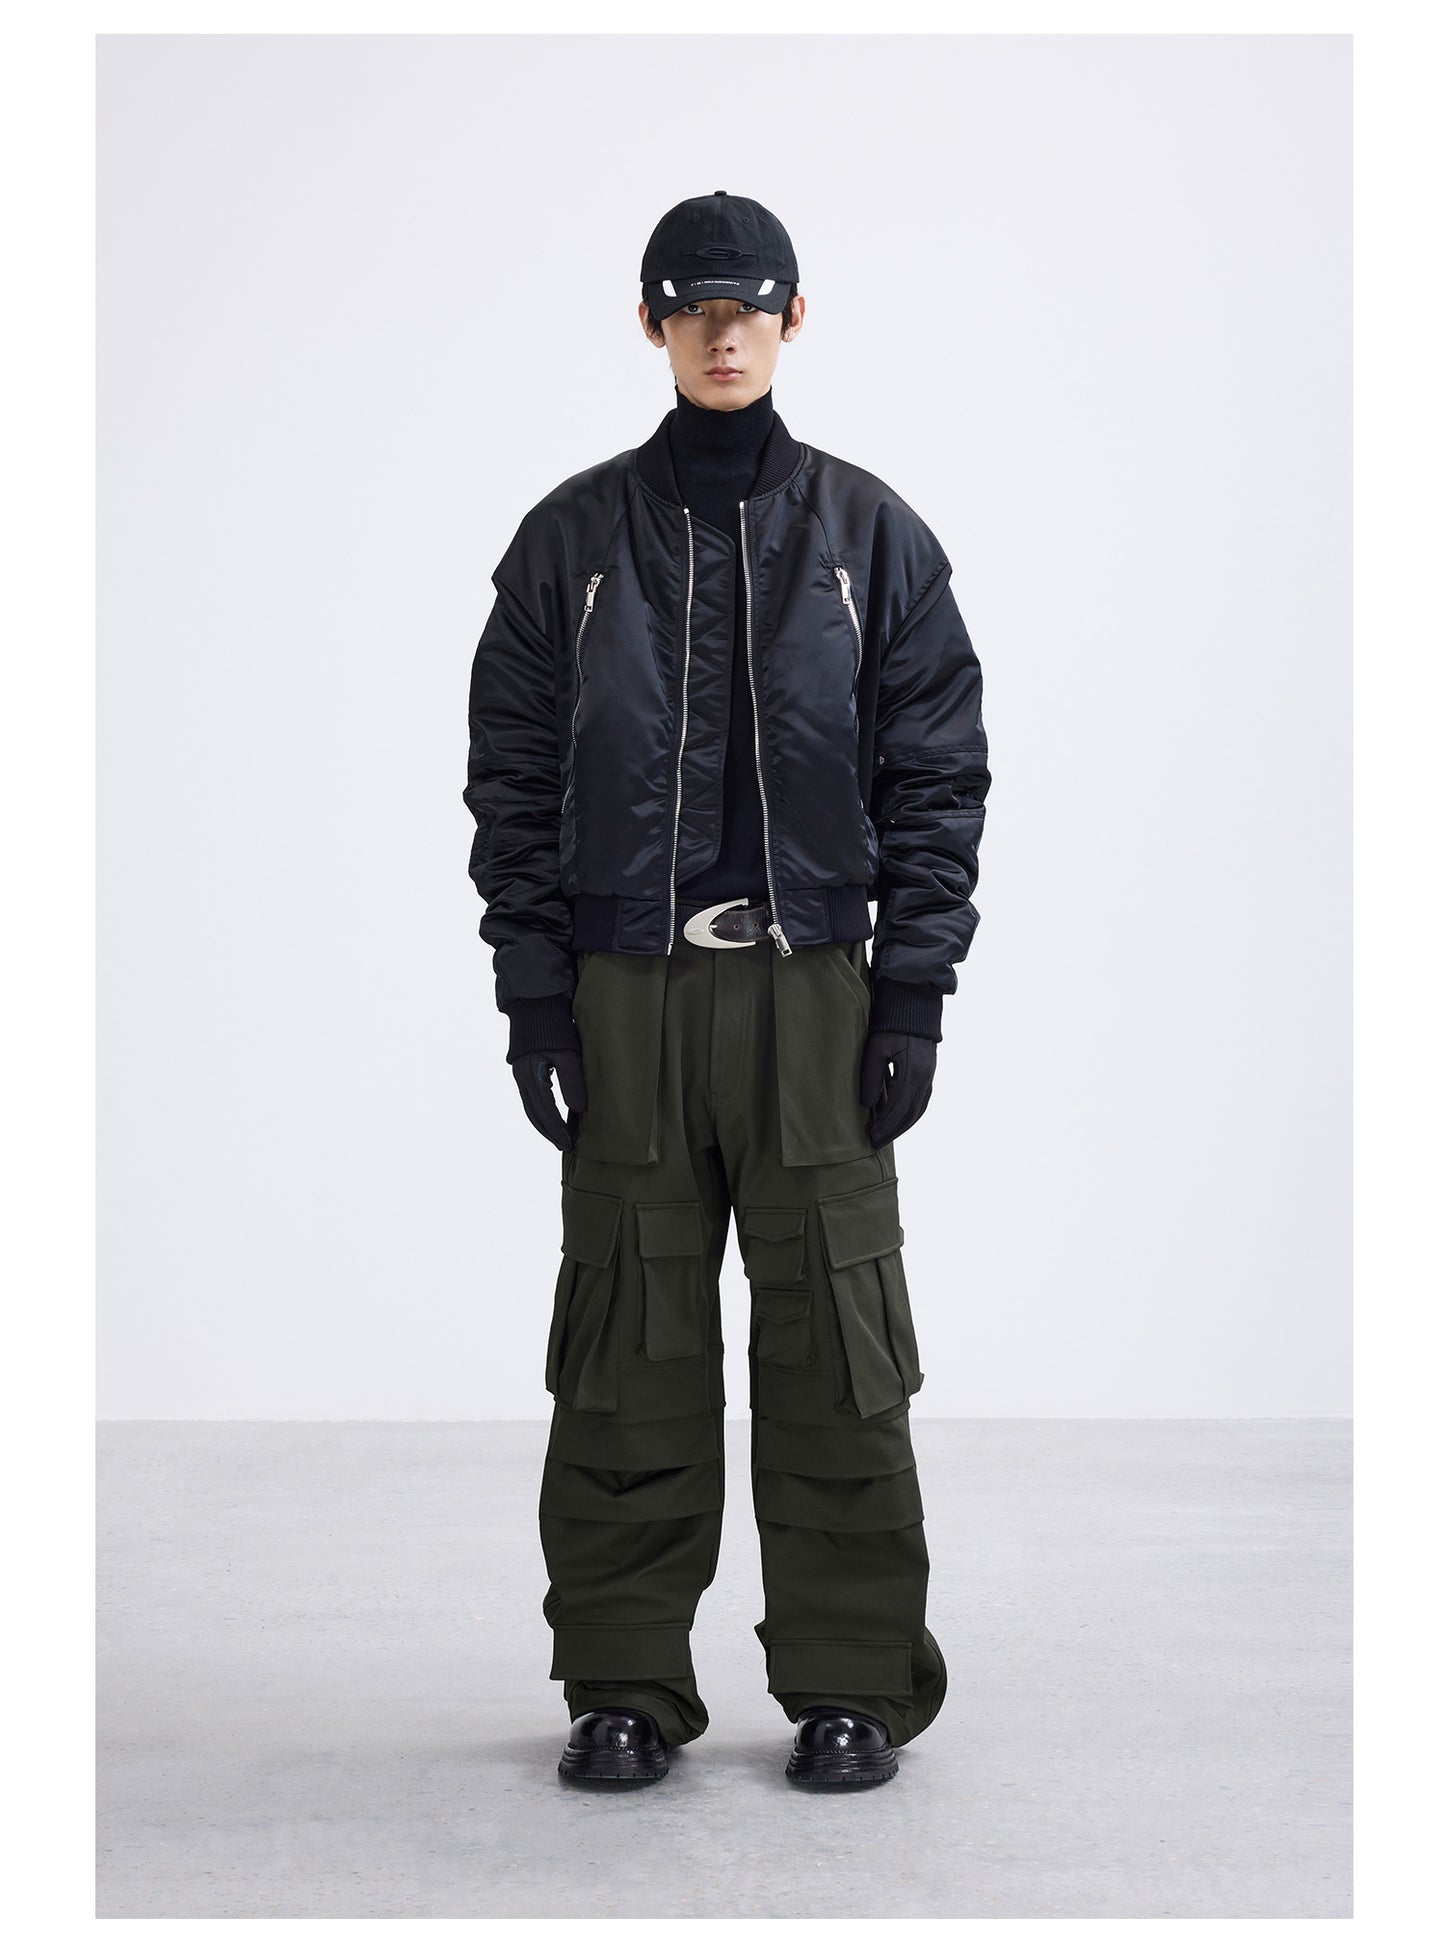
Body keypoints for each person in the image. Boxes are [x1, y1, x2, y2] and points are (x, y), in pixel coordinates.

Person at [463, 190, 989, 1789]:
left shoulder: (869, 537)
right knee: (625, 1346)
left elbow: (935, 773)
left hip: (813, 991)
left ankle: (851, 1685)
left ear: (792, 319)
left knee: (838, 1345)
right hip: (625, 994)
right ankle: (621, 1682)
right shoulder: (569, 542)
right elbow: (512, 783)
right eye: (692, 307)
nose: (721, 333)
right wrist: (536, 1000)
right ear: (650, 323)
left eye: (747, 306)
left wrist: (911, 993)